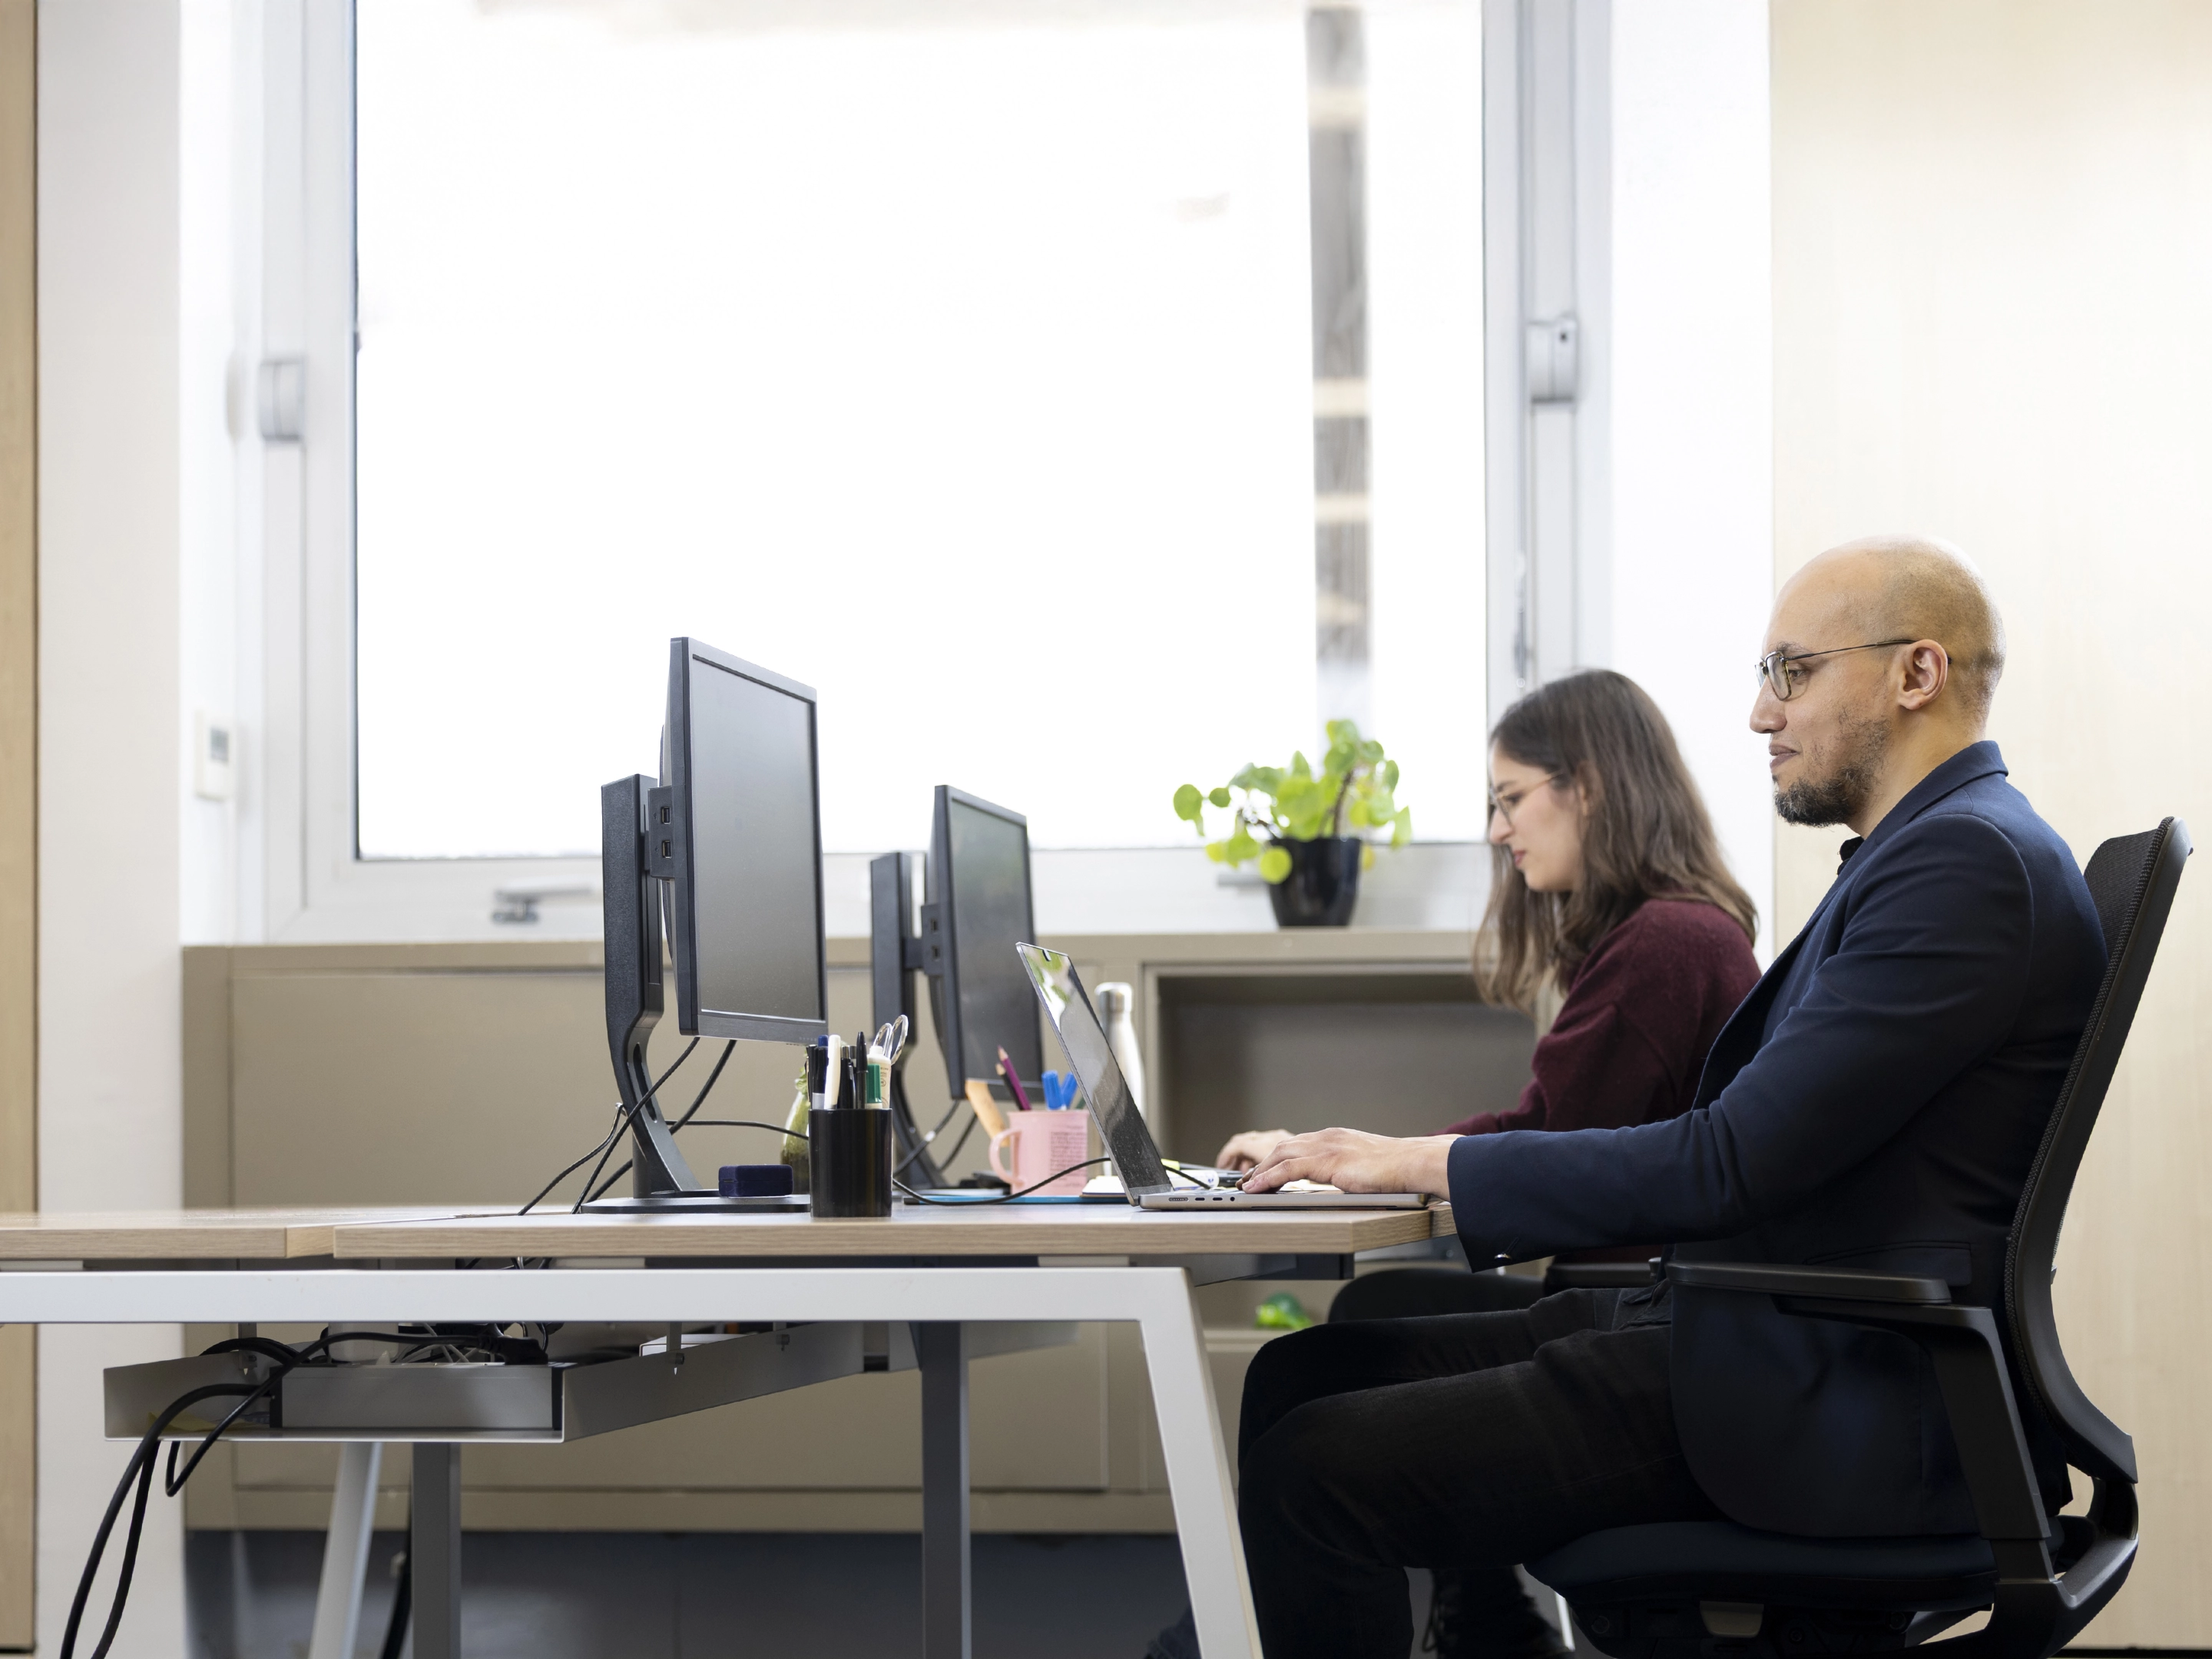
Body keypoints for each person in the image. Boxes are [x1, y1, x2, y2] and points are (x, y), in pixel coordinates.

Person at [1221, 535, 2106, 1659]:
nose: (1758, 714)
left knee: (1314, 1475)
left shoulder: (1965, 868)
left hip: (1820, 1393)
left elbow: (1726, 1160)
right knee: (1306, 1372)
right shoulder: (1934, 857)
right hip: (1769, 1337)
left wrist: (1410, 1160)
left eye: (1791, 672)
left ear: (1915, 674)